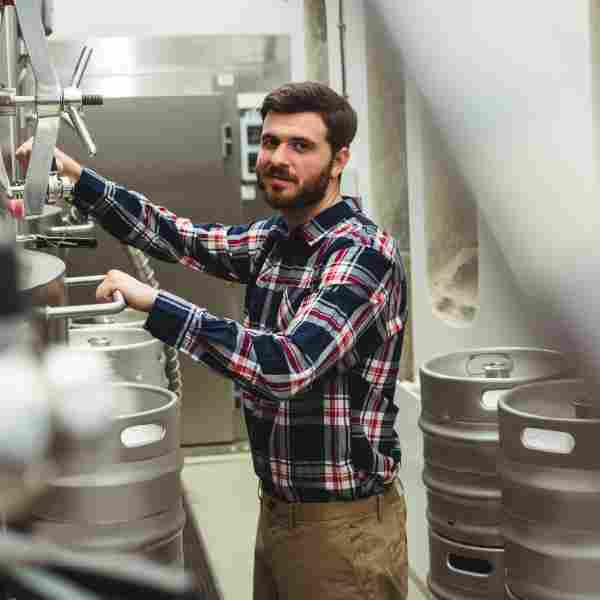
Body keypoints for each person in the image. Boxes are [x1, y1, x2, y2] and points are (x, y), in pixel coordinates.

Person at [17, 81, 409, 599]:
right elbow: (180, 237)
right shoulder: (277, 239)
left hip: (343, 529)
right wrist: (81, 181)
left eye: (300, 145)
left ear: (339, 160)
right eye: (270, 142)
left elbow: (285, 366)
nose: (278, 158)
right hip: (281, 512)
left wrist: (157, 305)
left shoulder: (360, 255)